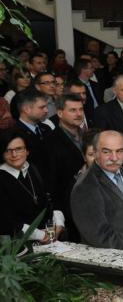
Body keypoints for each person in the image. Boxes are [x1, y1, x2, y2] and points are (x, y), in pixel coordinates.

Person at [71, 130, 123, 253]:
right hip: (110, 259)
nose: (114, 158)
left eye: (119, 151)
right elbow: (98, 235)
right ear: (96, 153)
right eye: (106, 152)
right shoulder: (85, 186)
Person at [0, 130, 65, 243]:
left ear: (27, 150)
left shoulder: (34, 169)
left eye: (19, 149)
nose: (14, 155)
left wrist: (58, 224)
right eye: (8, 150)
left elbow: (53, 199)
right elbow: (6, 221)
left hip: (49, 238)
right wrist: (41, 235)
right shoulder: (2, 178)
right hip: (19, 246)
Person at [43, 94, 86, 242]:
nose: (79, 114)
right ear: (60, 113)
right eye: (73, 110)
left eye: (81, 109)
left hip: (93, 202)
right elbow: (51, 183)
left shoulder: (88, 136)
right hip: (69, 208)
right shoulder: (50, 141)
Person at [12, 90, 53, 171]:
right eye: (41, 107)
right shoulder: (14, 134)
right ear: (27, 109)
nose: (46, 110)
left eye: (46, 106)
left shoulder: (46, 128)